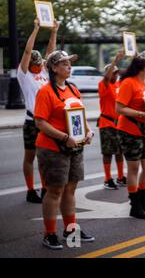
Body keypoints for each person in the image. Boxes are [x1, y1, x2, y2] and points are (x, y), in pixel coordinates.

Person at [34, 50, 95, 250]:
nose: (69, 66)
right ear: (53, 68)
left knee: (70, 189)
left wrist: (88, 131)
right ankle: (49, 233)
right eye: (64, 63)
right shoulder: (45, 91)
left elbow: (80, 114)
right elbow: (40, 122)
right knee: (54, 191)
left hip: (74, 146)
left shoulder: (73, 89)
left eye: (69, 63)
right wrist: (64, 137)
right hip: (52, 147)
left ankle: (71, 229)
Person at [116, 51, 145, 219]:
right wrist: (139, 114)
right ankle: (135, 205)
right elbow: (119, 108)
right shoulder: (129, 83)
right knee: (134, 168)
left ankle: (143, 201)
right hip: (129, 129)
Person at [17, 19, 59, 203]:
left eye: (40, 62)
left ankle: (44, 188)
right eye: (35, 62)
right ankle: (30, 189)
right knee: (30, 157)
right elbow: (27, 51)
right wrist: (35, 29)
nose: (39, 64)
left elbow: (51, 52)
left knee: (44, 157)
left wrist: (54, 31)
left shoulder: (43, 73)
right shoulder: (24, 75)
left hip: (46, 122)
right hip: (31, 121)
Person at [98, 51, 125, 190]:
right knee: (108, 153)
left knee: (120, 152)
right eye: (114, 73)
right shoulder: (104, 84)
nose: (116, 75)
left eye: (116, 73)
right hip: (107, 123)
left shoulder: (118, 86)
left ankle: (121, 177)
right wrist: (115, 59)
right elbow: (107, 77)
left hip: (119, 123)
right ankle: (107, 178)